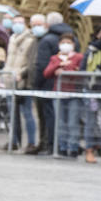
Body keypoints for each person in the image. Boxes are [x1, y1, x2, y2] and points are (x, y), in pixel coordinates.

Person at [32, 12, 75, 154]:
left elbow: (42, 66)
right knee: (67, 119)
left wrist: (36, 85)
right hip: (70, 86)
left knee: (49, 117)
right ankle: (66, 147)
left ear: (48, 24)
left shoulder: (46, 39)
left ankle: (50, 145)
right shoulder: (74, 38)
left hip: (47, 85)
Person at [44, 33, 84, 158]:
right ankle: (62, 146)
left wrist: (67, 68)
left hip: (73, 94)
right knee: (60, 122)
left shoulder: (79, 57)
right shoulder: (55, 58)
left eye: (69, 42)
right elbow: (47, 73)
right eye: (63, 42)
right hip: (59, 93)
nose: (65, 45)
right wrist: (58, 65)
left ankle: (73, 147)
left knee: (73, 122)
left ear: (73, 44)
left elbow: (80, 73)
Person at [6, 14, 40, 153]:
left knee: (27, 114)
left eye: (20, 22)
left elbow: (31, 61)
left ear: (25, 24)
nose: (17, 25)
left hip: (23, 81)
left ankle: (31, 142)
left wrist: (23, 74)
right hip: (9, 80)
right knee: (12, 114)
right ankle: (13, 141)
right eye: (15, 22)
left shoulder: (31, 39)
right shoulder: (12, 38)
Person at [81, 26, 101, 163]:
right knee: (90, 122)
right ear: (97, 35)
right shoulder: (92, 49)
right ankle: (89, 150)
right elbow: (83, 69)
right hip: (92, 89)